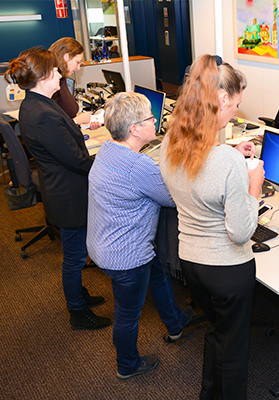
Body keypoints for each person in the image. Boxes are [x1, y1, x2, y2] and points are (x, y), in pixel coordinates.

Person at [159, 55, 264, 400]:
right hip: (227, 269)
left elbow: (199, 167)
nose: (236, 111)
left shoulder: (171, 142)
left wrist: (232, 150)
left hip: (191, 262)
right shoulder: (228, 163)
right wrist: (253, 186)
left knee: (217, 332)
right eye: (235, 104)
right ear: (220, 99)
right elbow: (240, 231)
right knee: (233, 349)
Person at [86, 92, 194, 380]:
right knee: (128, 313)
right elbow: (171, 199)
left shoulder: (109, 150)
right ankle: (127, 364)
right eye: (150, 117)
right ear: (134, 129)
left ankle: (175, 322)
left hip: (103, 242)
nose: (156, 120)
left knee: (157, 273)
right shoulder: (138, 166)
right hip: (124, 255)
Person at [5, 48, 110, 330]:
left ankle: (79, 296)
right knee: (74, 257)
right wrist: (110, 163)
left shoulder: (36, 104)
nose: (59, 75)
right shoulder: (43, 115)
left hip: (61, 187)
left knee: (74, 252)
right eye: (54, 71)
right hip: (68, 194)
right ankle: (77, 311)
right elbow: (75, 160)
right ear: (43, 76)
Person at [49, 37, 100, 129]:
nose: (78, 68)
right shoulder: (52, 85)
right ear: (66, 57)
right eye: (77, 62)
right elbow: (53, 128)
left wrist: (84, 125)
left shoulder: (62, 79)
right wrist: (79, 120)